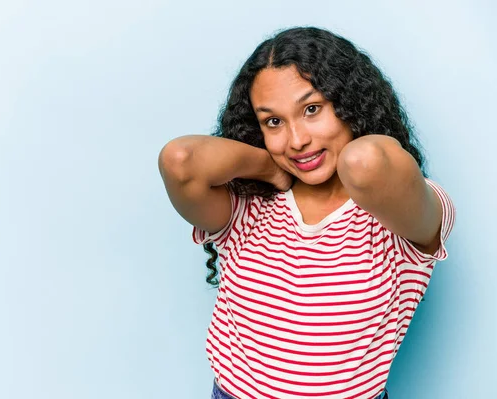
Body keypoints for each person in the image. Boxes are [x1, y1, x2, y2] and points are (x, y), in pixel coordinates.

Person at [157, 26, 455, 399]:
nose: (297, 140)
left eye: (312, 109)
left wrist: (344, 145)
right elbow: (180, 160)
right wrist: (269, 169)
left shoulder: (401, 215)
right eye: (273, 121)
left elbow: (367, 162)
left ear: (350, 103)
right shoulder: (245, 209)